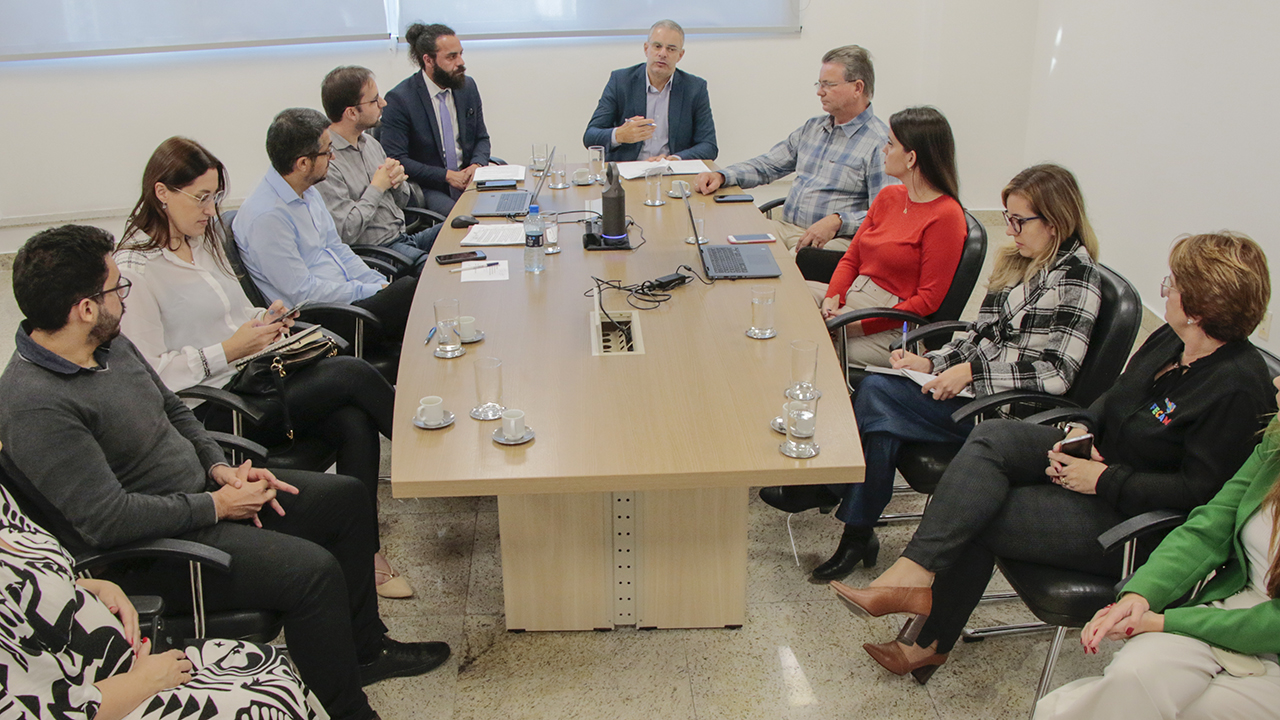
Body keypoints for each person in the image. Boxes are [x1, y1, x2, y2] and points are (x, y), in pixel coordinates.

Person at [0, 225, 450, 720]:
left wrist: (220, 468)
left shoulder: (107, 345)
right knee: (311, 572)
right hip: (155, 548)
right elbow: (107, 521)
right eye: (115, 289)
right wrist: (215, 505)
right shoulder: (36, 406)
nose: (123, 298)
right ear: (85, 308)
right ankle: (347, 710)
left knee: (343, 500)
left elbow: (173, 410)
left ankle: (366, 652)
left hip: (202, 496)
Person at [831, 231, 1275, 686]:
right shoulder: (1171, 340)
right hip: (1097, 464)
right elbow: (1115, 397)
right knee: (993, 436)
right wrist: (1083, 427)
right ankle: (914, 573)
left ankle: (927, 643)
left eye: (1175, 284)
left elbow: (1199, 495)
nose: (1167, 290)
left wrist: (1103, 479)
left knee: (984, 510)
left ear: (1199, 309)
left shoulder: (1237, 388)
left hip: (1136, 522)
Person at [761, 164, 1104, 581]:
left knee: (875, 392)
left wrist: (972, 374)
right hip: (971, 392)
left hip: (1005, 416)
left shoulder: (1076, 280)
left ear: (1054, 223)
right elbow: (979, 334)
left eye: (1018, 221)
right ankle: (855, 531)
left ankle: (832, 492)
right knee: (882, 410)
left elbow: (1056, 374)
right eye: (1008, 218)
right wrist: (933, 363)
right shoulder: (1018, 261)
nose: (1010, 230)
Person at [117, 136, 413, 600]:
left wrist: (265, 322)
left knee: (352, 421)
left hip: (254, 378)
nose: (211, 210)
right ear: (161, 193)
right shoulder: (135, 268)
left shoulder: (201, 240)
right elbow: (150, 376)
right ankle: (427, 452)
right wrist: (229, 349)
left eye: (215, 197)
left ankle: (365, 555)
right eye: (200, 198)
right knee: (350, 373)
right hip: (212, 409)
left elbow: (233, 316)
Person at [1036, 383, 1280, 719]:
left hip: (1260, 630)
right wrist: (1140, 595)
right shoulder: (1277, 438)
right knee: (1132, 676)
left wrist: (1165, 622)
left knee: (1193, 710)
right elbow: (1211, 525)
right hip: (1232, 607)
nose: (1277, 381)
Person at [0, 480, 329, 720]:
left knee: (272, 667)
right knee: (268, 708)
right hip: (107, 698)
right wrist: (142, 680)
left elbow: (35, 566)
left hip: (131, 663)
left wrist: (93, 586)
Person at [233, 108, 417, 343]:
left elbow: (337, 248)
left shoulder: (307, 190)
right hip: (324, 320)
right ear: (302, 163)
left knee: (413, 287)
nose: (333, 157)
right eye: (327, 151)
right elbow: (303, 293)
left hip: (349, 297)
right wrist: (368, 291)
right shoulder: (266, 217)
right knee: (412, 290)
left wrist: (374, 282)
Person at [808, 106, 966, 367]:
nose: (884, 150)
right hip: (854, 294)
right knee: (788, 299)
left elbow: (927, 301)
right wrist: (831, 299)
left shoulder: (946, 215)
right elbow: (851, 258)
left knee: (810, 348)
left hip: (892, 325)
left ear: (911, 158)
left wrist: (856, 325)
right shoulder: (888, 197)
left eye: (890, 144)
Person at [694, 45, 893, 252]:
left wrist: (839, 221)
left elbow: (886, 214)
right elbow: (768, 165)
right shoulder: (814, 128)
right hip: (786, 228)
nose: (819, 92)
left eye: (828, 84)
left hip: (833, 239)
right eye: (819, 83)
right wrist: (722, 176)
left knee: (779, 266)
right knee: (720, 244)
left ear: (858, 88)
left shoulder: (880, 143)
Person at [317, 65, 439, 271]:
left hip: (403, 237)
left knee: (464, 229)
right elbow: (346, 231)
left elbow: (401, 203)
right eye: (374, 101)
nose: (383, 103)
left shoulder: (370, 143)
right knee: (436, 270)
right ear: (351, 113)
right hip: (377, 252)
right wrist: (377, 187)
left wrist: (398, 182)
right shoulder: (327, 161)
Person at [381, 23, 490, 215]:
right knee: (461, 219)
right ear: (428, 60)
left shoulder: (467, 87)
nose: (460, 63)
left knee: (504, 207)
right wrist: (447, 176)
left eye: (460, 54)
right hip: (431, 186)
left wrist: (477, 165)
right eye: (451, 57)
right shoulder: (400, 99)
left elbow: (481, 137)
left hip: (468, 178)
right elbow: (396, 158)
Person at [582, 19, 717, 162]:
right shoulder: (621, 81)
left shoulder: (695, 88)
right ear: (646, 49)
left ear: (680, 55)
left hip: (672, 172)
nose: (663, 54)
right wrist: (620, 135)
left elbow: (709, 146)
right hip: (628, 171)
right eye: (657, 46)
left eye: (671, 49)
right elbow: (590, 136)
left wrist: (677, 159)